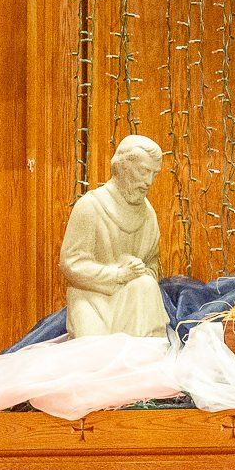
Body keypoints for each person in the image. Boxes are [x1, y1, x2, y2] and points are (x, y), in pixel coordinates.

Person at [59, 134, 169, 338]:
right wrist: (117, 274)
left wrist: (140, 272)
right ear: (122, 166)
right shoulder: (91, 206)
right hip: (93, 302)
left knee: (145, 286)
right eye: (144, 171)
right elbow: (71, 264)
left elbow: (153, 266)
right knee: (96, 360)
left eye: (154, 174)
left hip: (133, 303)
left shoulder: (148, 214)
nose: (149, 182)